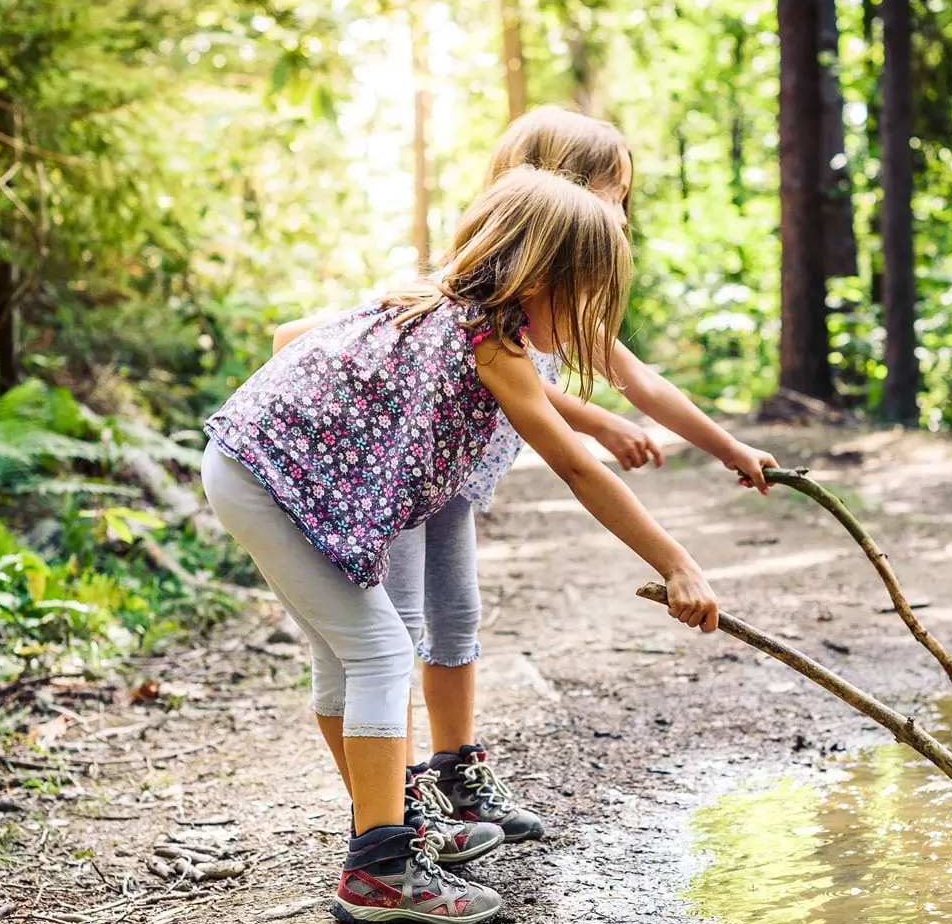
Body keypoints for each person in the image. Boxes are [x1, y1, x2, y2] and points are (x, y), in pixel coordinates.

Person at [201, 165, 719, 924]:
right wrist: (677, 562)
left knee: (349, 657)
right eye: (580, 299)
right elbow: (577, 466)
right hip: (271, 478)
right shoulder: (491, 343)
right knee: (380, 652)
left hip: (252, 468)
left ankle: (389, 834)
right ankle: (378, 871)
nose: (581, 322)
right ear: (540, 277)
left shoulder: (448, 308)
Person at [271, 107, 776, 845]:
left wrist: (728, 446)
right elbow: (297, 338)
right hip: (402, 477)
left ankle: (456, 768)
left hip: (454, 483)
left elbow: (639, 384)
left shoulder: (561, 299)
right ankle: (398, 797)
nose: (621, 217)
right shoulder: (463, 295)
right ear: (557, 190)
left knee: (458, 615)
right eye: (614, 194)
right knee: (399, 629)